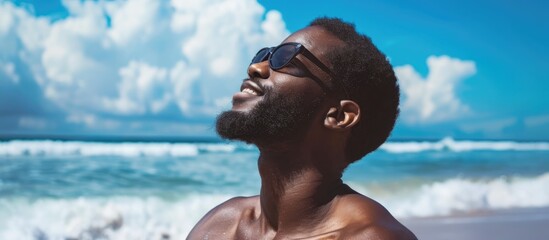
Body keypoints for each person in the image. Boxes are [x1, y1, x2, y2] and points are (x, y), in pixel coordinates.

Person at [188, 17, 417, 240]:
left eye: (286, 58)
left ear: (339, 116)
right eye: (263, 54)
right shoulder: (220, 225)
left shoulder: (373, 236)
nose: (256, 68)